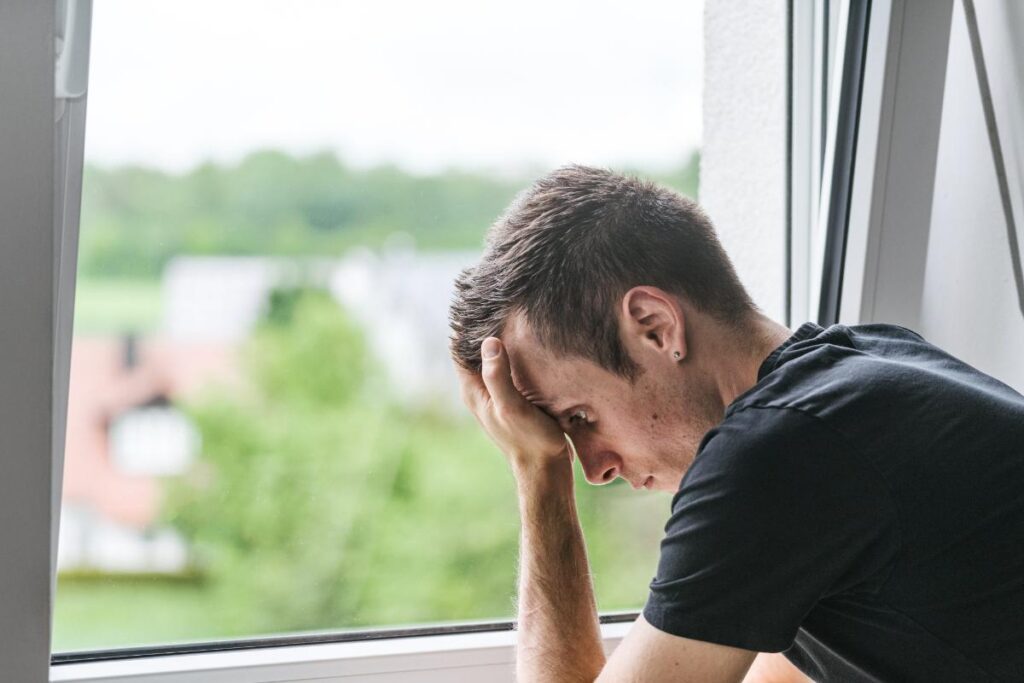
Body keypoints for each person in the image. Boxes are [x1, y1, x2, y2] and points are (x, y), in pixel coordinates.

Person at [448, 165, 1024, 682]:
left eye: (580, 417)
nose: (595, 467)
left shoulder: (780, 454)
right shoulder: (870, 374)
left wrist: (540, 475)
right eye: (566, 437)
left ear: (654, 326)